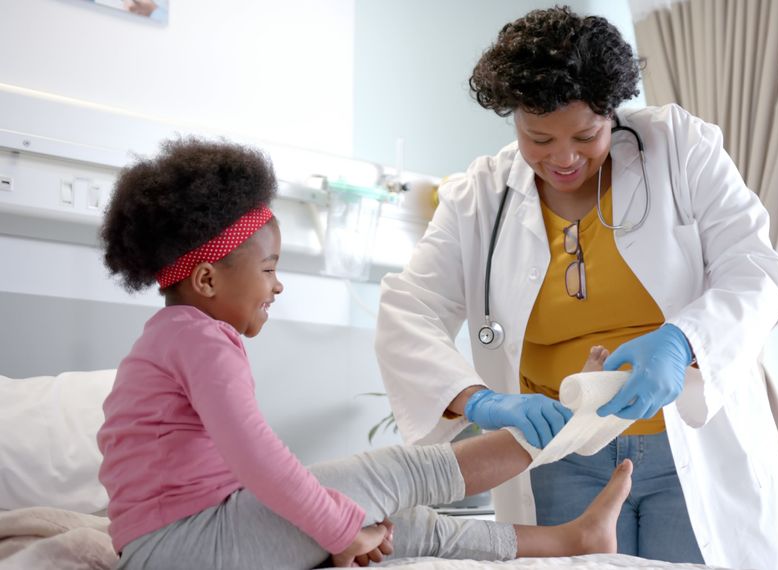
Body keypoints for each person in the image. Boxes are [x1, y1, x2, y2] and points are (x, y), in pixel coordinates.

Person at [374, 6, 778, 569]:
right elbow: (410, 307)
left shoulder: (680, 149)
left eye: (586, 134)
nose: (564, 158)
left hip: (690, 442)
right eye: (538, 137)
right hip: (562, 453)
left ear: (612, 112)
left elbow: (756, 268)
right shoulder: (479, 197)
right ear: (513, 118)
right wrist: (477, 398)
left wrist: (681, 342)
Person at [95, 137, 635, 569]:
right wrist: (338, 528)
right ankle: (571, 421)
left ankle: (572, 539)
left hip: (186, 538)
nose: (277, 286)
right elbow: (257, 457)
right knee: (393, 476)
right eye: (269, 269)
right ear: (208, 279)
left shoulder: (172, 335)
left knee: (393, 518)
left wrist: (344, 525)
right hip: (183, 547)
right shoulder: (200, 340)